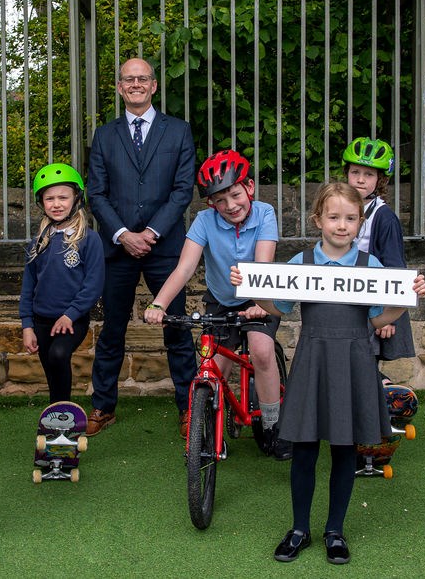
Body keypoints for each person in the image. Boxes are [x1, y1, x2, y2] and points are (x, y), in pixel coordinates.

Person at [230, 182, 425, 564]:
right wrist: (252, 289)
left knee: (343, 449)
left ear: (359, 222)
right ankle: (299, 529)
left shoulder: (369, 265)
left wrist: (407, 300)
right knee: (304, 449)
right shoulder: (301, 261)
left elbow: (379, 318)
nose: (342, 225)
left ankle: (334, 531)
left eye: (351, 218)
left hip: (353, 360)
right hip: (313, 359)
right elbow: (278, 305)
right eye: (334, 217)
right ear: (318, 219)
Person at [143, 149, 289, 459]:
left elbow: (264, 262)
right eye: (219, 201)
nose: (230, 205)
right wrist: (159, 304)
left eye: (235, 195)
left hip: (259, 296)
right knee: (213, 368)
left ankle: (274, 427)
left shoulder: (264, 213)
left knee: (262, 352)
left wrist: (261, 302)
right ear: (210, 203)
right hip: (221, 300)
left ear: (248, 187)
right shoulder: (204, 221)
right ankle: (208, 431)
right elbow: (184, 269)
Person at [86, 57, 197, 437]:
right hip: (116, 248)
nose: (135, 84)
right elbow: (95, 193)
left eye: (142, 79)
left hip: (164, 247)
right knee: (112, 329)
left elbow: (183, 190)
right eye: (128, 79)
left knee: (176, 329)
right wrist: (121, 234)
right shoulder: (104, 135)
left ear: (153, 86)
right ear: (119, 87)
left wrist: (150, 232)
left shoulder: (179, 131)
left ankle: (188, 408)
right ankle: (103, 406)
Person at [19, 163, 104, 403]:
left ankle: (63, 414)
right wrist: (27, 326)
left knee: (58, 355)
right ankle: (56, 414)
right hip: (41, 321)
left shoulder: (89, 239)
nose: (56, 204)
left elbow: (93, 284)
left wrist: (70, 314)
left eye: (63, 197)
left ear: (76, 198)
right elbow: (28, 287)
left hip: (72, 320)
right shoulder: (38, 243)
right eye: (50, 198)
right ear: (41, 202)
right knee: (50, 370)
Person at [342, 137, 415, 374]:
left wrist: (388, 314)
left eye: (369, 174)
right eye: (355, 172)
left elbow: (394, 267)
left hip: (372, 302)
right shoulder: (340, 209)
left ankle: (380, 402)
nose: (360, 179)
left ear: (380, 180)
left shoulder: (384, 217)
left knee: (364, 360)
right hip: (345, 296)